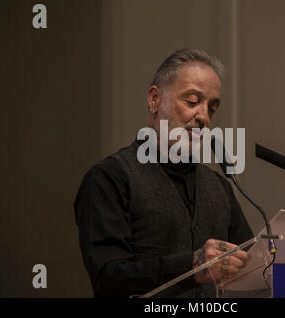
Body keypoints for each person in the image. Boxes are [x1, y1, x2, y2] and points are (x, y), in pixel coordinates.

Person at [74, 48, 253, 298]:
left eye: (211, 108)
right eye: (192, 101)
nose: (203, 117)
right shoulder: (109, 178)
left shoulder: (219, 187)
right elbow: (108, 278)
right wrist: (192, 265)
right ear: (154, 100)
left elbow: (251, 266)